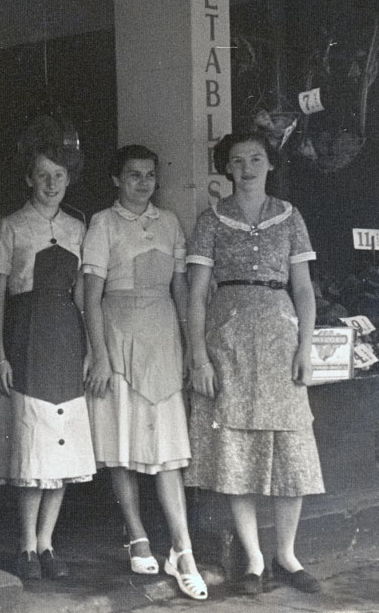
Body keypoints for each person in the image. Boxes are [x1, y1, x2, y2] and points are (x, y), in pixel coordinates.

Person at [184, 131, 324, 596]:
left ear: (270, 164)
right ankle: (254, 559)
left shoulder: (290, 216)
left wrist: (305, 347)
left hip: (281, 337)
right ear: (226, 167)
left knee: (292, 448)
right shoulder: (211, 220)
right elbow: (197, 294)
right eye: (238, 160)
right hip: (229, 340)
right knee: (237, 450)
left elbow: (303, 288)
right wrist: (198, 355)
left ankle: (287, 555)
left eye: (256, 159)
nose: (247, 168)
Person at [82, 145, 208, 601]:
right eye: (133, 175)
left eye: (150, 175)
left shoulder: (170, 222)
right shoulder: (103, 223)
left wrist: (191, 349)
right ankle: (136, 533)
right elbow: (90, 297)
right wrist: (100, 356)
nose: (143, 183)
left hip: (163, 340)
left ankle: (182, 551)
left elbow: (181, 290)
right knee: (122, 444)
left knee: (168, 451)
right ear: (116, 179)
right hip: (117, 338)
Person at [0, 136, 96, 581]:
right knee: (33, 442)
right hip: (25, 335)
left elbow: (83, 295)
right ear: (28, 179)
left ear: (68, 180)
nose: (51, 184)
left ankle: (47, 543)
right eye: (42, 175)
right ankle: (25, 546)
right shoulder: (11, 226)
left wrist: (91, 349)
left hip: (66, 338)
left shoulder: (78, 228)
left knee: (62, 445)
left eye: (58, 176)